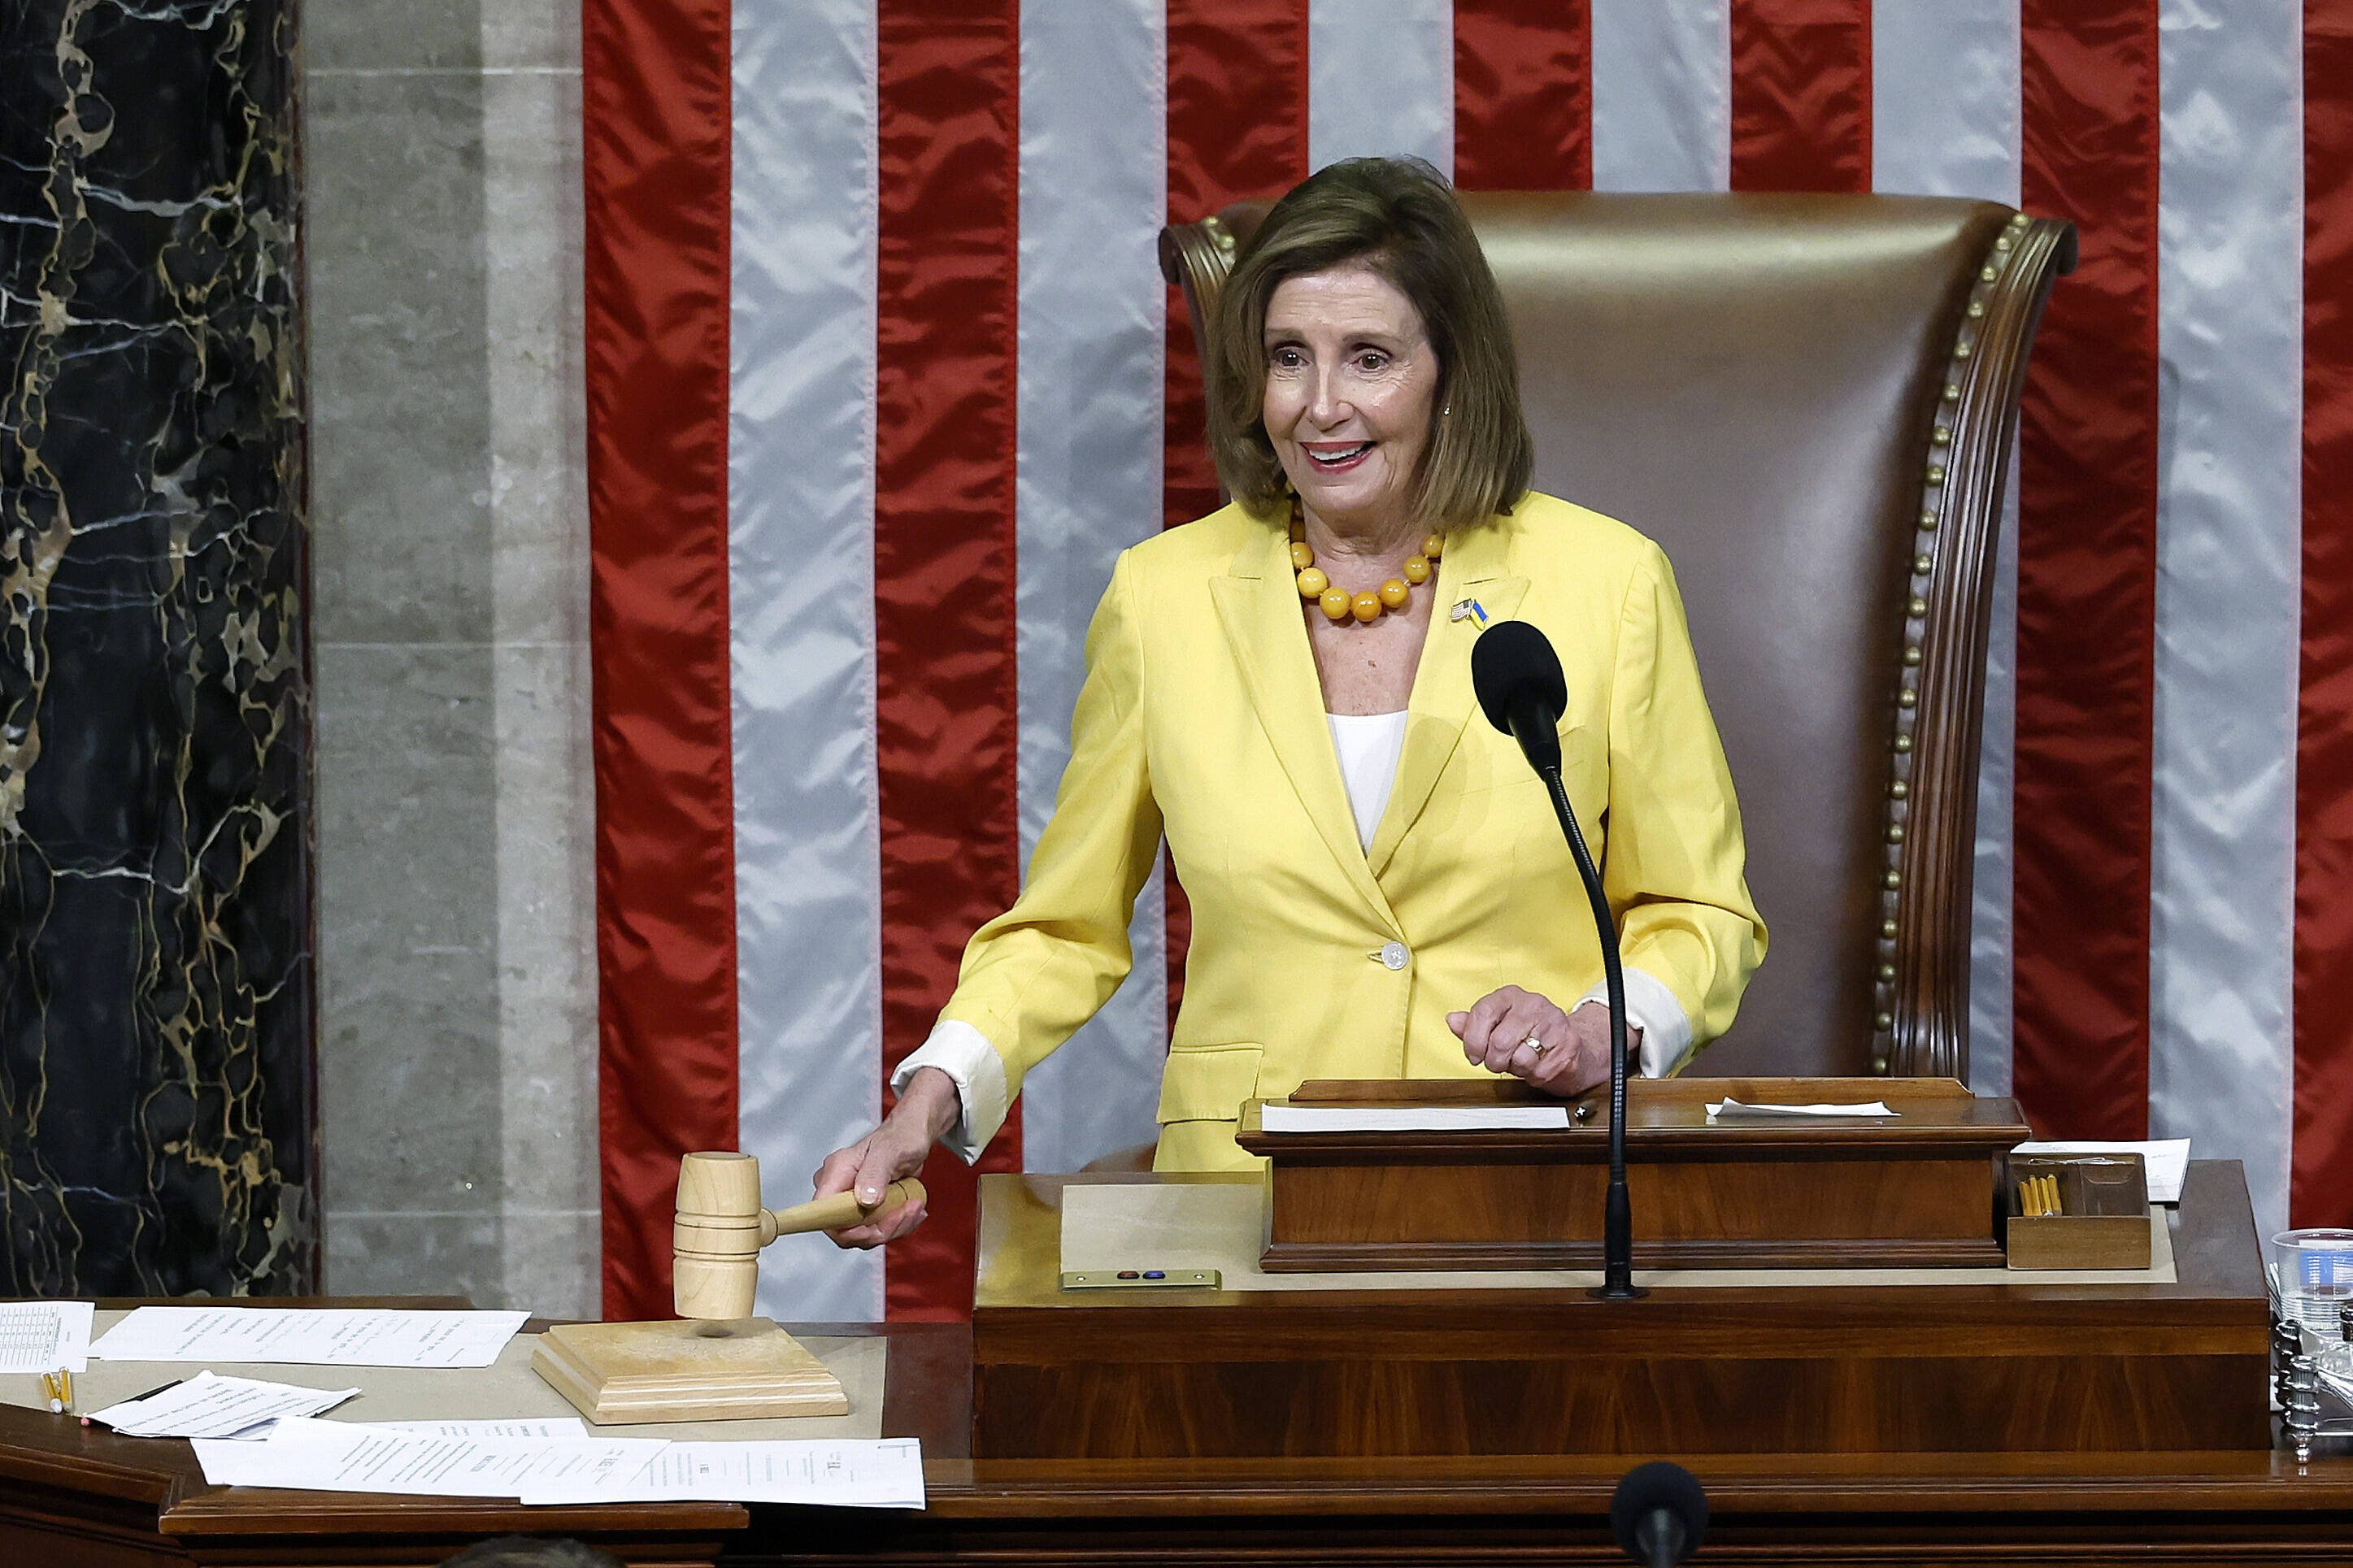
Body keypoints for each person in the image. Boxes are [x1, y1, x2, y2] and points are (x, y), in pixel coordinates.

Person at [816, 157, 1766, 1246]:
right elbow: (1062, 928)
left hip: (1523, 1179)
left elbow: (1702, 912)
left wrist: (1601, 1028)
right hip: (1240, 1200)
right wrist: (921, 1104)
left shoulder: (1606, 583)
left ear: (1451, 374)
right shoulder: (1161, 598)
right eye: (1286, 359)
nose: (1320, 407)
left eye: (1368, 357)